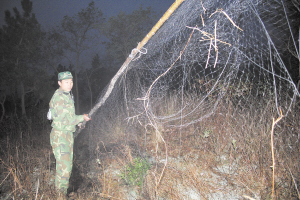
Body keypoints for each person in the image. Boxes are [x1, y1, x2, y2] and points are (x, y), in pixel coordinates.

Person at [49, 71, 91, 195]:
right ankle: (60, 195)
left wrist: (76, 123)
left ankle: (62, 193)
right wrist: (81, 118)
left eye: (71, 81)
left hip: (66, 135)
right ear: (59, 83)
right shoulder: (59, 97)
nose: (70, 84)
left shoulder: (66, 95)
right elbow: (64, 119)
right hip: (60, 136)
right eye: (66, 82)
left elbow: (68, 117)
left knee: (66, 167)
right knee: (64, 169)